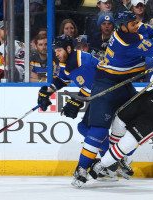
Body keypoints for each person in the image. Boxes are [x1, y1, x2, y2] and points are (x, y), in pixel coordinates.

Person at [73, 10, 153, 187]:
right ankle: (81, 169)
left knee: (135, 125)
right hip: (106, 85)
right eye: (132, 24)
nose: (137, 25)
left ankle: (117, 159)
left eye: (136, 22)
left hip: (124, 85)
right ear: (122, 26)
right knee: (99, 131)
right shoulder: (126, 42)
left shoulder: (133, 29)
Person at [36, 35, 106, 187]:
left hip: (107, 96)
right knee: (84, 128)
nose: (57, 53)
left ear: (68, 49)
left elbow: (93, 88)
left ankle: (110, 161)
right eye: (56, 50)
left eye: (59, 50)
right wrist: (47, 92)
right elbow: (62, 80)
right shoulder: (66, 61)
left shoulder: (83, 62)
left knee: (87, 128)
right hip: (100, 97)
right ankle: (110, 160)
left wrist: (76, 101)